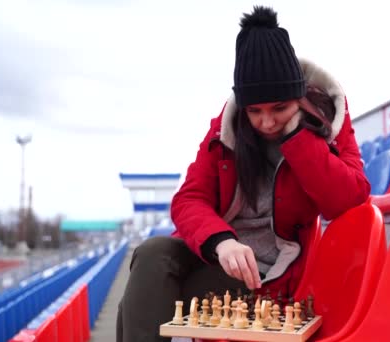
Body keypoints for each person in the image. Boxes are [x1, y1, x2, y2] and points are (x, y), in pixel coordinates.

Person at [117, 6, 370, 342]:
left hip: (265, 273)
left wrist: (298, 139)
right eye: (255, 111)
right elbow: (189, 199)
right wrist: (222, 243)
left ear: (299, 97)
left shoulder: (329, 121)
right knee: (150, 255)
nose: (266, 122)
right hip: (216, 253)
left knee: (146, 301)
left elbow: (348, 198)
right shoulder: (225, 130)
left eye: (280, 108)